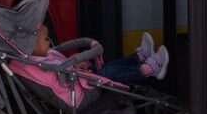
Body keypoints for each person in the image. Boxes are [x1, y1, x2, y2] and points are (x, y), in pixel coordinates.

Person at [27, 26, 169, 83]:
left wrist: (78, 65)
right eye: (45, 39)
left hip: (82, 76)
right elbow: (61, 74)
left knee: (111, 66)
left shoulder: (45, 56)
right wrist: (76, 68)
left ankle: (139, 58)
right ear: (32, 47)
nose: (48, 41)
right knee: (109, 72)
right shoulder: (43, 64)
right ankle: (149, 69)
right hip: (83, 85)